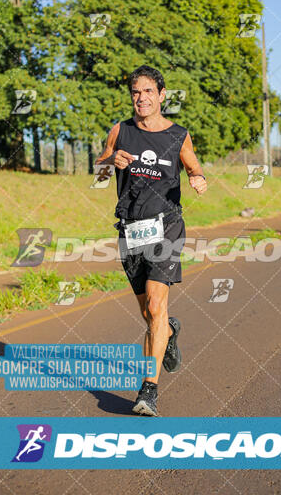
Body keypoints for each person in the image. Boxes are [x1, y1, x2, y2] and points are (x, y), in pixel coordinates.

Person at [95, 65, 207, 416]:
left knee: (157, 307)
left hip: (166, 225)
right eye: (135, 92)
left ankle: (148, 391)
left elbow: (193, 166)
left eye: (147, 92)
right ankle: (169, 334)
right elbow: (98, 172)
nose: (141, 98)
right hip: (131, 229)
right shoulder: (120, 131)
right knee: (149, 313)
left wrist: (198, 178)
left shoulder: (178, 135)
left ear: (161, 95)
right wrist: (111, 160)